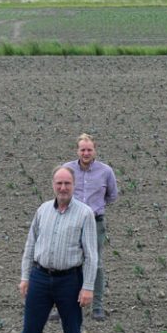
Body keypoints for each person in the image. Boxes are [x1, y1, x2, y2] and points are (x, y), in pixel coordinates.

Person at [14, 166, 98, 333]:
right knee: (30, 332)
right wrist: (25, 277)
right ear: (52, 185)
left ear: (74, 185)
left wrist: (88, 287)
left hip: (70, 280)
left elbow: (91, 255)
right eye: (59, 183)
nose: (63, 188)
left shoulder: (85, 213)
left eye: (67, 184)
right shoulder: (42, 211)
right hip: (40, 278)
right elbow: (30, 246)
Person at [62, 133, 119, 321]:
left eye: (89, 149)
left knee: (96, 263)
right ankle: (65, 305)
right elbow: (60, 191)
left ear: (95, 151)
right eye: (82, 150)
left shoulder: (105, 171)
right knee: (69, 263)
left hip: (95, 223)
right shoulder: (68, 170)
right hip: (72, 221)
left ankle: (97, 307)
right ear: (77, 151)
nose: (86, 153)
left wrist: (96, 208)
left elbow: (112, 196)